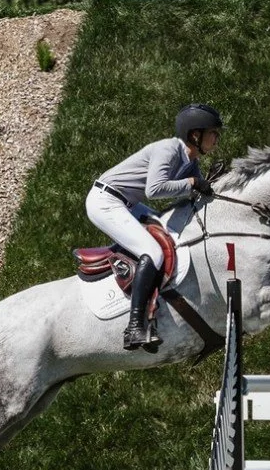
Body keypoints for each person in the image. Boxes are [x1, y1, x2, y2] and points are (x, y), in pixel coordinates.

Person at [86, 104, 223, 351]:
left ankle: (152, 305)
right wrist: (193, 182)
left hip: (128, 203)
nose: (217, 139)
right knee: (154, 252)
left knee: (167, 234)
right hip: (106, 201)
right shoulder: (168, 149)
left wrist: (207, 185)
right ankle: (135, 326)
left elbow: (188, 195)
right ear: (195, 135)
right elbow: (155, 189)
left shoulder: (190, 160)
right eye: (213, 132)